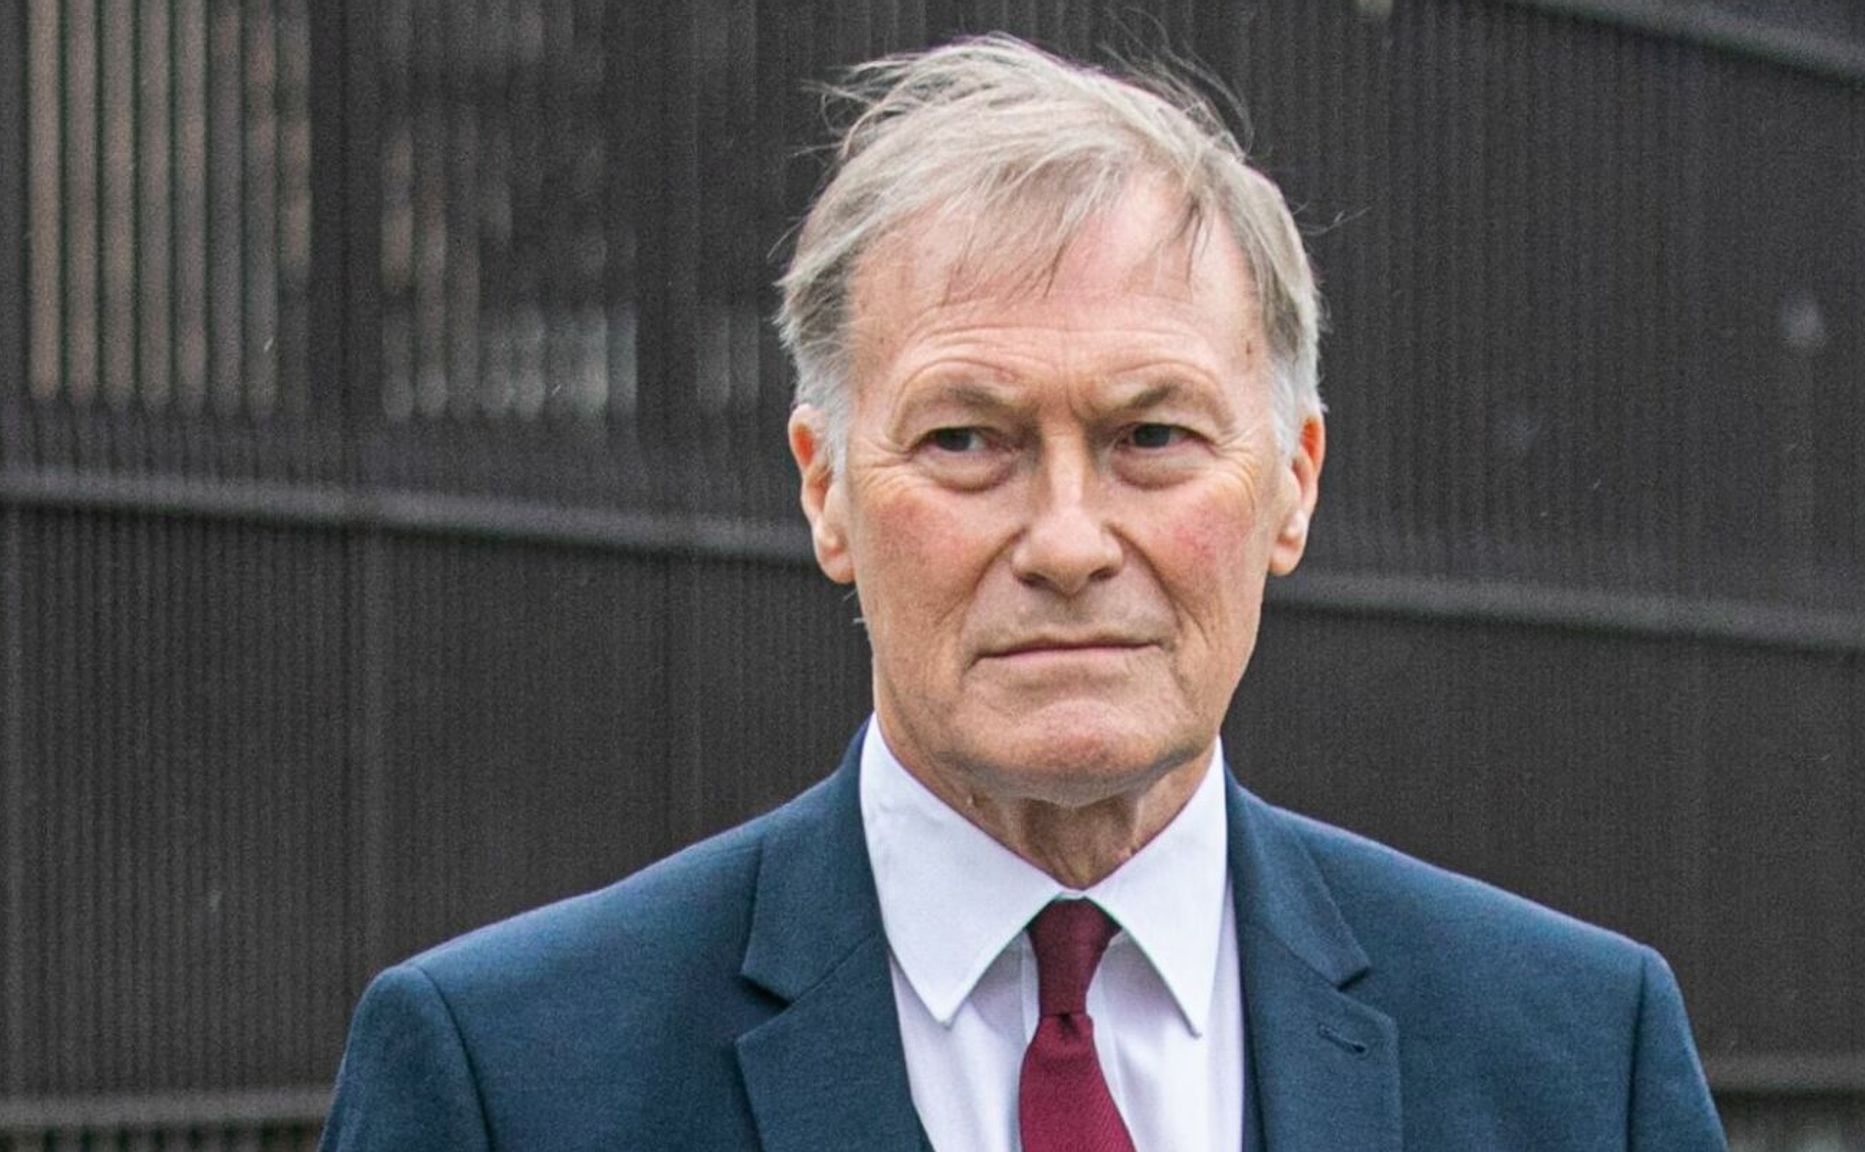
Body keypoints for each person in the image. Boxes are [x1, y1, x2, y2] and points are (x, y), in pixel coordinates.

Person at [319, 34, 1726, 1152]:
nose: (1066, 541)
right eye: (966, 440)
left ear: (1293, 484)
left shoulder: (1571, 1061)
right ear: (826, 490)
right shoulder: (512, 1082)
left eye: (1152, 436)